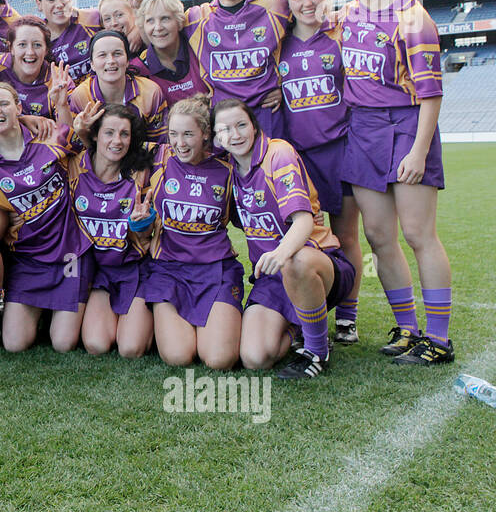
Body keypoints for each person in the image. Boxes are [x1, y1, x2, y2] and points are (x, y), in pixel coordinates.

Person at [337, 0, 453, 365]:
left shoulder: (413, 17)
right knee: (379, 236)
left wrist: (419, 151)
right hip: (362, 130)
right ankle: (407, 328)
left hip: (406, 125)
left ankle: (438, 339)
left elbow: (431, 94)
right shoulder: (346, 14)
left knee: (419, 234)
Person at [0, 84, 93, 353]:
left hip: (69, 255)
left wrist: (61, 107)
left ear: (19, 108)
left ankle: (59, 309)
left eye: (4, 104)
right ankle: (7, 315)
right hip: (28, 260)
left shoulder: (46, 136)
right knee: (14, 344)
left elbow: (72, 137)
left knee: (63, 342)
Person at [214, 98, 356, 379]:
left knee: (296, 260)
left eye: (241, 125)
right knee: (255, 358)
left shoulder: (278, 154)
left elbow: (303, 222)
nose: (235, 134)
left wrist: (280, 254)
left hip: (317, 264)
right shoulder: (229, 168)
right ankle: (300, 325)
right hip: (272, 279)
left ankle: (317, 350)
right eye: (225, 129)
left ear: (254, 127)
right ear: (217, 138)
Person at [276, 0, 362, 346]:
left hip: (340, 150)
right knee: (304, 237)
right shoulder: (278, 45)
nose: (308, 3)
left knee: (345, 235)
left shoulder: (342, 35)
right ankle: (304, 311)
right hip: (298, 156)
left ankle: (348, 315)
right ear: (288, 4)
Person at [145, 94, 242, 370]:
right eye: (173, 134)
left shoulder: (227, 169)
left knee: (219, 360)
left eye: (188, 134)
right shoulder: (158, 159)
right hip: (168, 270)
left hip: (216, 269)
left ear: (205, 134)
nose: (180, 142)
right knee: (179, 356)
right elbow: (106, 143)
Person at [71, 104, 156, 357]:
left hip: (135, 268)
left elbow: (147, 235)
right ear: (95, 135)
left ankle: (151, 322)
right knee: (96, 345)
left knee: (130, 348)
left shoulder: (141, 171)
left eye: (124, 134)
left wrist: (142, 224)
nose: (117, 141)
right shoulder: (74, 166)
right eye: (109, 133)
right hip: (97, 273)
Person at [184, 0, 287, 136]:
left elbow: (307, 32)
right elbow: (157, 31)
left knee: (270, 163)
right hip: (224, 116)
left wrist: (285, 86)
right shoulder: (196, 18)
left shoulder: (275, 6)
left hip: (267, 111)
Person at [66, 29, 168, 140]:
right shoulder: (82, 95)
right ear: (92, 64)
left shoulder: (150, 92)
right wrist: (83, 133)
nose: (111, 61)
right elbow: (78, 147)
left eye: (117, 54)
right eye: (102, 55)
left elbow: (160, 143)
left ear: (128, 60)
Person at [132, 0, 212, 105]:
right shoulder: (138, 70)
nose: (158, 27)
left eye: (165, 18)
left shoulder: (198, 49)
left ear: (179, 22)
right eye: (150, 21)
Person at [0, 16, 56, 117]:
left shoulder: (57, 79)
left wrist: (62, 105)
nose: (30, 52)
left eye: (37, 45)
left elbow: (68, 128)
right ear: (11, 48)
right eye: (22, 45)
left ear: (46, 49)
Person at [35, 0, 100, 83]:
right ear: (39, 4)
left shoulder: (94, 18)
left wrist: (135, 33)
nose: (59, 4)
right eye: (51, 0)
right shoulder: (37, 39)